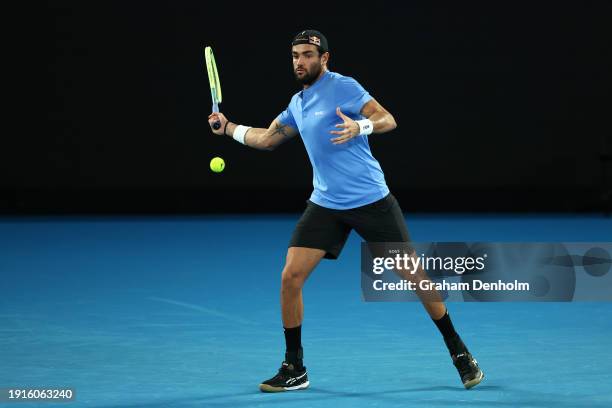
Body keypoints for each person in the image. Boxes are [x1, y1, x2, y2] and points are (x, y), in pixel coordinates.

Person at [208, 29, 484, 392]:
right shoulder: (297, 103)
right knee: (290, 277)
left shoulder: (345, 87)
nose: (300, 61)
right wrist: (229, 128)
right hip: (326, 204)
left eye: (308, 54)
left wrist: (361, 126)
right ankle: (295, 367)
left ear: (324, 59)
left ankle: (459, 352)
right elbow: (269, 138)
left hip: (371, 200)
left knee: (415, 278)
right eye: (295, 56)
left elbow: (388, 118)